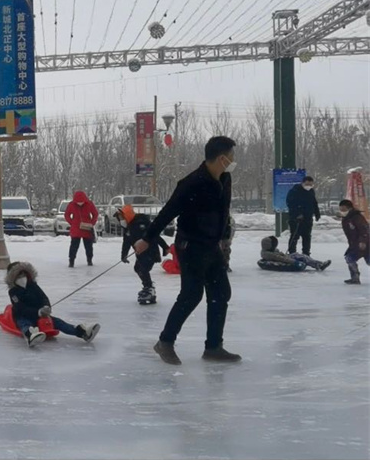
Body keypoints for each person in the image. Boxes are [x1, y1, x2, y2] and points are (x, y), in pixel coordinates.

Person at [133, 136, 240, 365]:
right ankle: (165, 342)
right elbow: (168, 212)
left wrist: (223, 236)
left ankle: (213, 347)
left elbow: (224, 210)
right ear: (222, 158)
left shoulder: (225, 178)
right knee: (191, 295)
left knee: (221, 293)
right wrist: (147, 238)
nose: (233, 161)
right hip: (190, 246)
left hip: (212, 246)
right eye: (231, 157)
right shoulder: (192, 183)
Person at [5, 261, 100, 347]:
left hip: (40, 314)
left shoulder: (33, 286)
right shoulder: (13, 292)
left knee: (58, 322)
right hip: (23, 316)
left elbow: (43, 297)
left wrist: (46, 306)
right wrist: (37, 312)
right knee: (25, 324)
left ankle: (83, 332)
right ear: (13, 278)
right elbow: (20, 308)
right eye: (19, 276)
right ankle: (30, 336)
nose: (22, 278)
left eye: (23, 275)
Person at [118, 205, 169, 305]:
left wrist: (165, 247)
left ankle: (149, 288)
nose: (121, 221)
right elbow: (126, 242)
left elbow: (155, 235)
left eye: (122, 218)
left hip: (151, 252)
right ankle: (148, 287)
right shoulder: (128, 228)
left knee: (142, 269)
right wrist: (124, 255)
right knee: (138, 268)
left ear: (127, 215)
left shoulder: (141, 223)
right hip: (141, 254)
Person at [286, 175, 321, 257]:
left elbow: (314, 203)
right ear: (303, 183)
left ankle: (306, 253)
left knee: (307, 236)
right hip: (296, 219)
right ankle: (292, 252)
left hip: (308, 218)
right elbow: (290, 203)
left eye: (310, 184)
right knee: (295, 235)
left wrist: (317, 213)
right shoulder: (294, 191)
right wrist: (297, 213)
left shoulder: (311, 191)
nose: (309, 186)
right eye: (307, 184)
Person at [64, 191, 99, 267]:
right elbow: (67, 215)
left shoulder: (89, 204)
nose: (80, 203)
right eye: (78, 202)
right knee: (74, 246)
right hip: (76, 228)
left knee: (88, 246)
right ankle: (71, 261)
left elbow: (95, 214)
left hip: (87, 228)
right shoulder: (71, 204)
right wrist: (72, 223)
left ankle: (89, 260)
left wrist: (92, 223)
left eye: (82, 202)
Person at [339, 199, 370, 285]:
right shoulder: (345, 219)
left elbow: (365, 230)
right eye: (340, 209)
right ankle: (355, 278)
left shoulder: (357, 217)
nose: (342, 211)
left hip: (366, 244)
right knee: (349, 258)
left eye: (344, 209)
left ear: (350, 208)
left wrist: (363, 241)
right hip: (355, 245)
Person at [259, 236, 331, 271]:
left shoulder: (270, 250)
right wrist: (295, 262)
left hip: (287, 257)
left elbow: (280, 255)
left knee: (299, 255)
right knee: (301, 257)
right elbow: (281, 258)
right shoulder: (268, 254)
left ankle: (318, 263)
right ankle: (318, 265)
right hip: (286, 260)